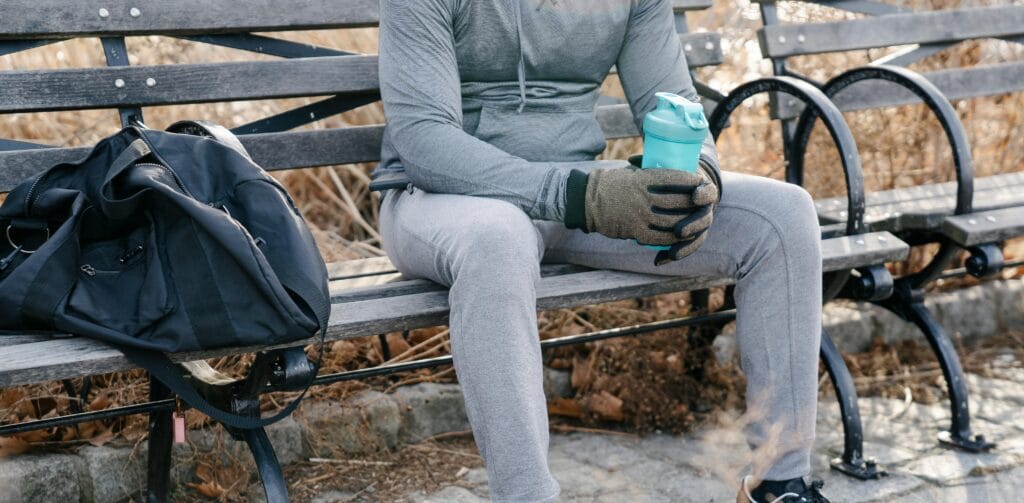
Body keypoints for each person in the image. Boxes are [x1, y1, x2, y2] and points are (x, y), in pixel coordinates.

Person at [371, 0, 830, 501]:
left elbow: (675, 103)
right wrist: (581, 198)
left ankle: (779, 484)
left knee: (782, 217)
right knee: (499, 238)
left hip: (574, 198)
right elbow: (425, 141)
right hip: (442, 201)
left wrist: (700, 179)